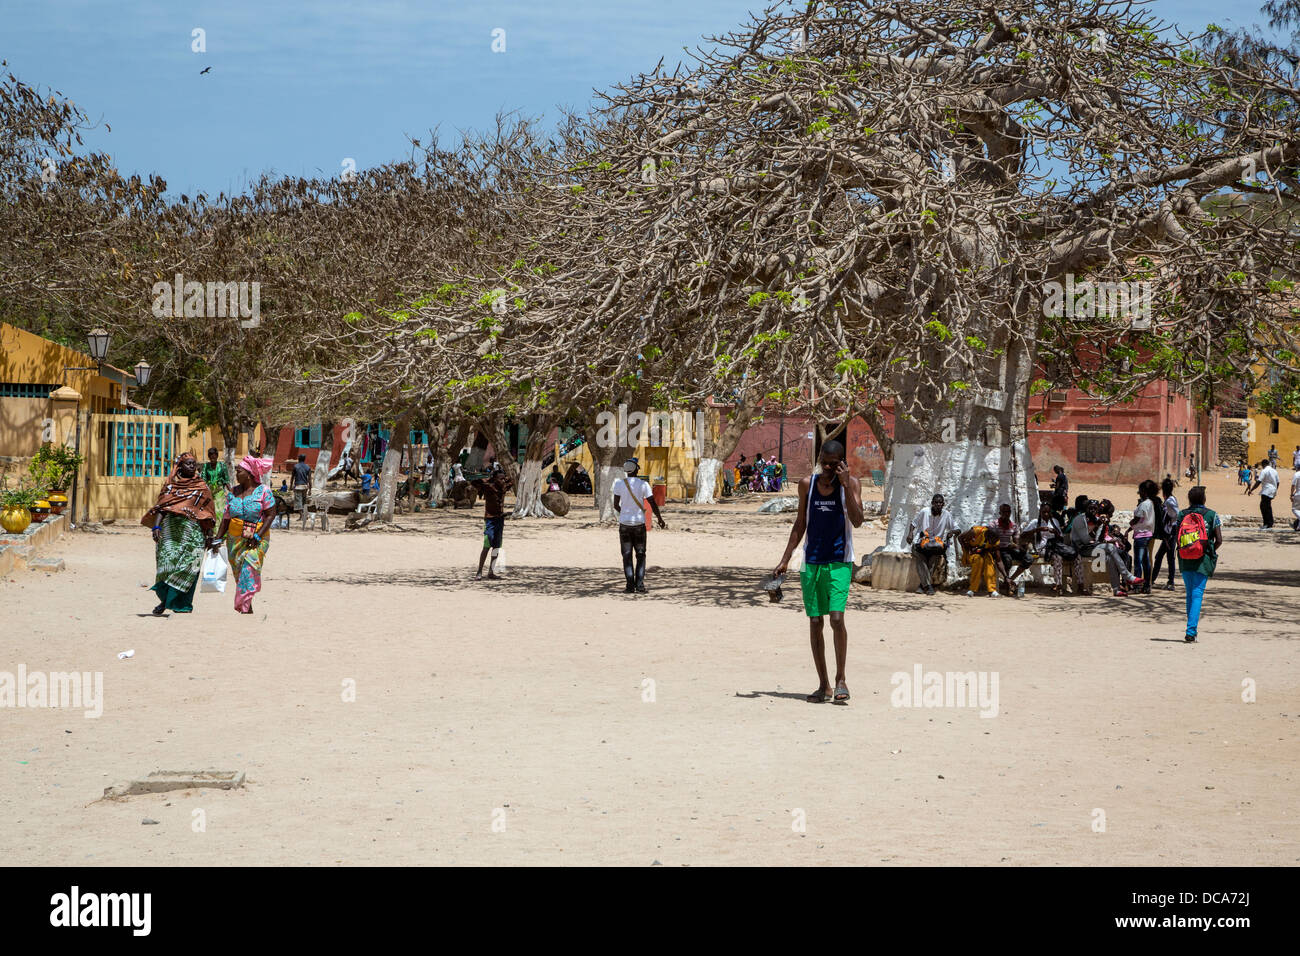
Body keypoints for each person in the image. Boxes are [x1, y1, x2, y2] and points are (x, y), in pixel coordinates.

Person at [773, 440, 863, 703]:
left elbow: (857, 521)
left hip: (839, 561)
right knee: (815, 622)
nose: (827, 468)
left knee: (836, 619)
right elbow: (800, 523)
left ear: (842, 464)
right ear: (819, 457)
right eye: (824, 461)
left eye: (834, 464)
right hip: (811, 562)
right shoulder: (806, 485)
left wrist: (845, 485)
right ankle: (823, 685)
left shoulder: (852, 484)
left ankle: (841, 680)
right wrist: (785, 559)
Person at [142, 452, 217, 616]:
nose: (192, 466)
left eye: (194, 463)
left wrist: (210, 536)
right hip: (170, 533)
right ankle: (164, 601)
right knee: (167, 567)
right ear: (180, 467)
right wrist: (156, 528)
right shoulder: (170, 487)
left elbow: (208, 513)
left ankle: (182, 605)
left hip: (193, 534)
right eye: (188, 463)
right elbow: (162, 508)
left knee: (190, 566)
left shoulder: (202, 487)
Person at [212, 455, 276, 614]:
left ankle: (243, 605)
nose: (236, 474)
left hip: (257, 538)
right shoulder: (233, 492)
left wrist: (258, 536)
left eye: (238, 471)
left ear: (248, 473)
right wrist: (218, 538)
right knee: (240, 573)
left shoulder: (263, 491)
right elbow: (226, 519)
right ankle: (248, 607)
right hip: (234, 539)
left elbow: (270, 515)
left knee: (250, 567)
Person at [1174, 485, 1223, 643]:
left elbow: (1177, 537)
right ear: (1204, 499)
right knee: (1197, 594)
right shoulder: (1212, 515)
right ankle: (1191, 630)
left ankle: (1191, 629)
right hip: (1203, 560)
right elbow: (1219, 540)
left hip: (1185, 559)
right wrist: (1208, 552)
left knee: (1190, 593)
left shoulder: (1182, 514)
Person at [612, 457, 667, 593]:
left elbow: (615, 505)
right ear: (636, 469)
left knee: (626, 555)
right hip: (639, 525)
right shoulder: (643, 485)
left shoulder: (619, 484)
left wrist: (624, 512)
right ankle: (640, 586)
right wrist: (659, 518)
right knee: (641, 555)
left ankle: (630, 586)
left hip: (624, 524)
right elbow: (652, 503)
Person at [906, 493, 959, 595]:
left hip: (935, 546)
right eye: (936, 502)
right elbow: (913, 524)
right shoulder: (924, 512)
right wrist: (910, 534)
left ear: (943, 504)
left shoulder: (946, 515)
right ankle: (928, 586)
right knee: (921, 559)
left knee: (933, 560)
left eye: (940, 503)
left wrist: (952, 532)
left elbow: (957, 529)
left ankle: (922, 586)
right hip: (920, 544)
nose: (938, 504)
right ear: (932, 503)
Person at [471, 458, 512, 580]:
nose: (502, 480)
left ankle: (491, 571)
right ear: (494, 479)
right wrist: (489, 479)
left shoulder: (504, 487)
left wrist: (506, 477)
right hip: (490, 520)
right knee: (486, 546)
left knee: (496, 546)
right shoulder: (488, 487)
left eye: (503, 478)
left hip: (500, 519)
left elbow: (513, 480)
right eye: (500, 478)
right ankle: (479, 571)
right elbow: (473, 482)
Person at [1020, 501, 1071, 595]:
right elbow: (1023, 535)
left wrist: (1055, 533)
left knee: (1058, 557)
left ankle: (1058, 584)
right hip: (1041, 549)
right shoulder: (1035, 522)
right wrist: (1037, 530)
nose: (1046, 514)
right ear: (1040, 512)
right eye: (1044, 512)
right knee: (1056, 557)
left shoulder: (1054, 521)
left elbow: (1061, 538)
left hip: (1053, 548)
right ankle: (1058, 585)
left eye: (1048, 512)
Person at [992, 502, 1033, 597]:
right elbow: (991, 539)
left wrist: (1018, 545)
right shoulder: (994, 525)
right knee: (1007, 559)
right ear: (1000, 513)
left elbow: (1016, 541)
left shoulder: (1014, 526)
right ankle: (1008, 585)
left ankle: (1010, 579)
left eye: (1008, 512)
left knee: (1029, 558)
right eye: (1004, 512)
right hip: (998, 550)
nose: (1007, 514)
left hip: (1009, 549)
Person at [1128, 480, 1158, 595]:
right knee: (1146, 561)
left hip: (1141, 535)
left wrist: (1130, 524)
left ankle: (1137, 586)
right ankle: (1146, 586)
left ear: (1144, 492)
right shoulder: (1150, 503)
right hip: (1148, 534)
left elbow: (1137, 519)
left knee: (1138, 561)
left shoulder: (1144, 504)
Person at [1150, 477, 1180, 591]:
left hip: (1170, 533)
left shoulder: (1169, 501)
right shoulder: (1171, 499)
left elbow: (1177, 514)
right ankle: (1153, 579)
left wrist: (1170, 521)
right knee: (1162, 556)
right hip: (1169, 532)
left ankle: (1170, 582)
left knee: (1169, 557)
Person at [959, 523, 1001, 597]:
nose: (993, 542)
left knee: (989, 561)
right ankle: (972, 589)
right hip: (970, 553)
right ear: (987, 536)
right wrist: (968, 548)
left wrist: (987, 550)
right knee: (979, 561)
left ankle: (992, 590)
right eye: (991, 541)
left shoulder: (996, 540)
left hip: (984, 553)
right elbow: (960, 537)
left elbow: (998, 557)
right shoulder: (977, 531)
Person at [202, 448, 231, 518]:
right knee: (210, 511)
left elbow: (226, 480)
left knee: (219, 511)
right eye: (211, 457)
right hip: (209, 492)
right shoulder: (206, 466)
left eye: (214, 457)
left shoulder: (222, 465)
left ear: (217, 456)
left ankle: (218, 528)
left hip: (219, 492)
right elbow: (203, 480)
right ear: (209, 457)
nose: (212, 459)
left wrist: (232, 491)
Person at [1249, 458, 1279, 528]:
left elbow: (1259, 482)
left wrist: (1251, 490)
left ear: (1263, 464)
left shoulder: (1264, 471)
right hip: (1272, 490)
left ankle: (1267, 523)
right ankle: (1270, 523)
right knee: (1268, 506)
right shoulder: (1274, 471)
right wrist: (1275, 490)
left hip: (1266, 491)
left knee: (1263, 507)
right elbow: (1278, 482)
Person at [291, 454, 312, 528]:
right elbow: (309, 479)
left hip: (298, 486)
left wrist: (290, 486)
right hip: (305, 486)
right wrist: (310, 489)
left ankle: (302, 515)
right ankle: (304, 515)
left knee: (298, 502)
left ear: (299, 458)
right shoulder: (308, 467)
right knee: (304, 501)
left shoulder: (295, 466)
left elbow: (292, 477)